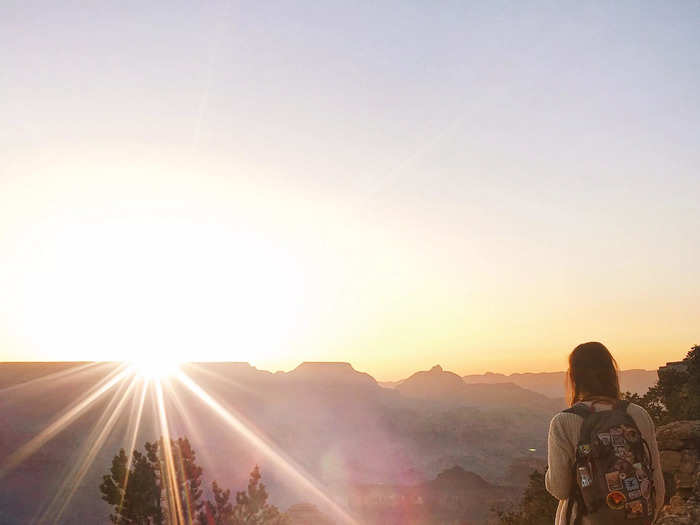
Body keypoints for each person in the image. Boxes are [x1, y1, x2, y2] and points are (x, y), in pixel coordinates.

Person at [545, 342, 664, 524]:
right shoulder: (638, 415)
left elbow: (559, 489)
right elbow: (657, 482)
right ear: (611, 373)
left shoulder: (563, 422)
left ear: (574, 376)